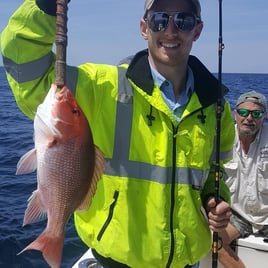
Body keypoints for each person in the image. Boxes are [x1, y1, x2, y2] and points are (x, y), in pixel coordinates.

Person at [1, 0, 235, 267]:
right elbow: (27, 70)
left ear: (197, 30)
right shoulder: (101, 86)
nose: (171, 30)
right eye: (160, 20)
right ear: (144, 28)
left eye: (184, 21)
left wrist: (214, 200)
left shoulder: (216, 107)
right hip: (114, 260)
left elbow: (215, 171)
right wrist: (44, 7)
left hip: (186, 262)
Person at [218, 90, 268, 268]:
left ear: (264, 116)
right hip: (238, 215)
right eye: (243, 112)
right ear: (235, 114)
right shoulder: (220, 140)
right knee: (213, 240)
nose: (249, 118)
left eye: (256, 113)